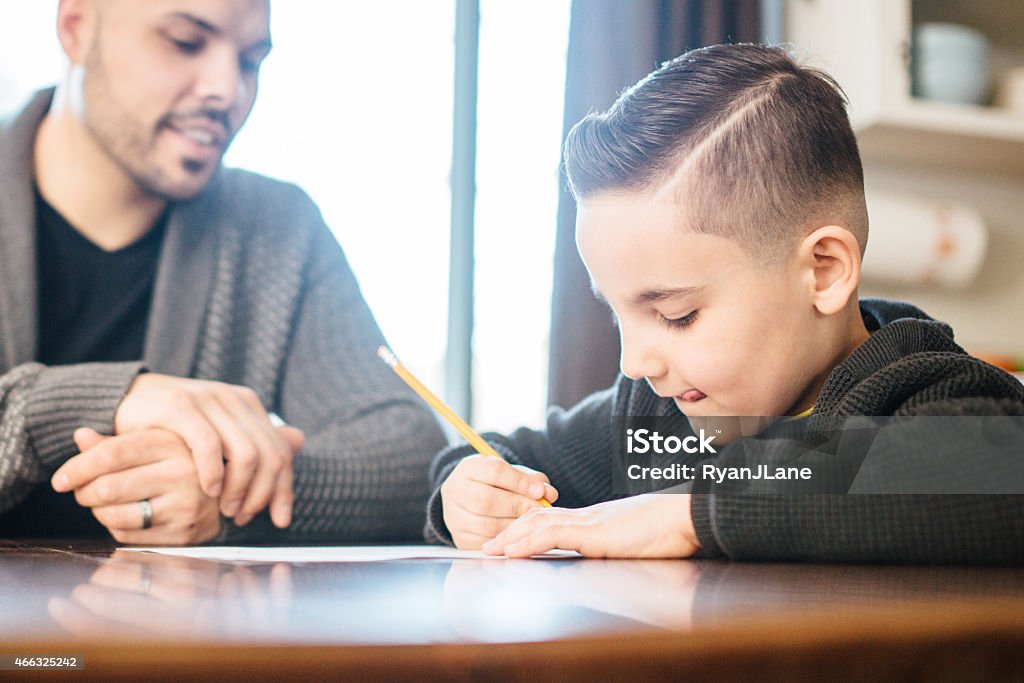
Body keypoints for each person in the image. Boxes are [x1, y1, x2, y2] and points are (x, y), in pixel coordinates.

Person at [425, 44, 1024, 564]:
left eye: (675, 315)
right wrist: (469, 490)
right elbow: (504, 455)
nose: (635, 362)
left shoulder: (930, 395)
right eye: (618, 314)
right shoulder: (654, 422)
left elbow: (991, 473)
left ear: (824, 272)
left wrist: (688, 514)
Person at [0, 0, 447, 544]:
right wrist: (90, 402)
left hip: (172, 628)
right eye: (186, 42)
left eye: (250, 61)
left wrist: (232, 493)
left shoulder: (277, 229)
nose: (227, 90)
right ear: (75, 27)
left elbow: (411, 457)